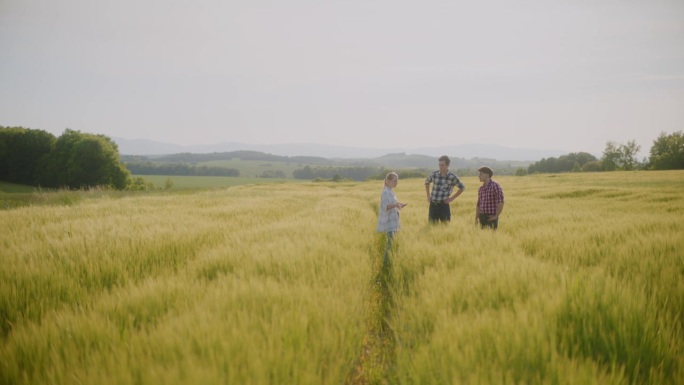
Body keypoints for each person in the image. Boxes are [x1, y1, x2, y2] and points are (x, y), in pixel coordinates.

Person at [425, 155, 465, 223]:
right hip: (433, 205)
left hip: (443, 205)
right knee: (431, 227)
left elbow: (462, 187)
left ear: (448, 165)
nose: (440, 167)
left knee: (445, 226)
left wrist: (451, 198)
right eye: (439, 165)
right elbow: (427, 182)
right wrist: (428, 195)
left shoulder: (452, 177)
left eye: (442, 165)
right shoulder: (433, 174)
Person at [377, 172, 406, 263]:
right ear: (388, 181)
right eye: (394, 181)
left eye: (397, 181)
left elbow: (391, 205)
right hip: (390, 223)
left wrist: (398, 205)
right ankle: (386, 263)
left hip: (393, 222)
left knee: (392, 243)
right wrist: (395, 205)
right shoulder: (386, 192)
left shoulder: (390, 191)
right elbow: (385, 206)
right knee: (390, 244)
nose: (396, 183)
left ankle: (389, 261)